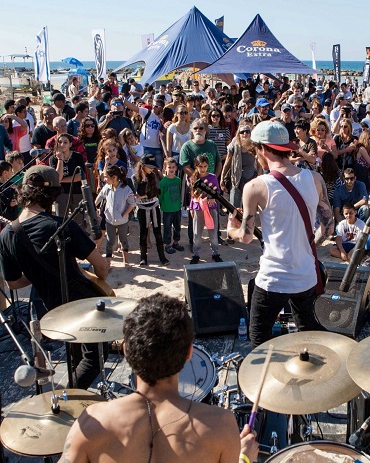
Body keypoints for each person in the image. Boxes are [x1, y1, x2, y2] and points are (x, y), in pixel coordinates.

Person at [59, 293, 258, 463]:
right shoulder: (220, 425)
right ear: (189, 353)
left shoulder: (92, 423)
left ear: (126, 351)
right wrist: (244, 459)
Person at [0, 165, 109, 389]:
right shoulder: (60, 226)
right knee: (94, 356)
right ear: (52, 196)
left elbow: (12, 282)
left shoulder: (7, 235)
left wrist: (37, 271)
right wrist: (99, 279)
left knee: (74, 352)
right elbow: (102, 266)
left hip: (49, 308)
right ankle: (71, 397)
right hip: (82, 304)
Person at [227, 121, 332, 348]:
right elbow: (328, 228)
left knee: (259, 338)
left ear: (263, 149)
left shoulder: (255, 187)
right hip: (306, 275)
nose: (256, 157)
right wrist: (305, 245)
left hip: (274, 279)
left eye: (255, 151)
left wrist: (230, 229)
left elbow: (245, 237)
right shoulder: (315, 179)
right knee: (308, 336)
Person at [133, 154, 169, 266]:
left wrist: (143, 196)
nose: (152, 169)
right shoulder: (135, 178)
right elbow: (136, 193)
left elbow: (156, 192)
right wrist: (143, 183)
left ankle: (162, 257)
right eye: (149, 166)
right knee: (143, 233)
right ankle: (143, 257)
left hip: (154, 207)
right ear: (143, 166)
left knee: (157, 233)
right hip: (142, 209)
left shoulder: (155, 176)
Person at [96, 164, 135, 266]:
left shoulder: (126, 189)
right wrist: (94, 206)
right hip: (109, 220)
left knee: (123, 240)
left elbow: (132, 204)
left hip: (122, 221)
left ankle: (125, 261)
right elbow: (100, 197)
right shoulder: (107, 187)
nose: (104, 179)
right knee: (110, 241)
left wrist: (124, 215)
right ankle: (108, 261)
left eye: (106, 177)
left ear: (114, 177)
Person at [189, 154, 222, 264]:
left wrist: (213, 197)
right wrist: (191, 208)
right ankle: (196, 254)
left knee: (213, 233)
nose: (202, 169)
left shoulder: (212, 177)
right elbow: (192, 195)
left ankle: (215, 252)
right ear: (196, 166)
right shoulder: (193, 178)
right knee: (197, 234)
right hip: (198, 209)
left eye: (204, 166)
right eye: (200, 166)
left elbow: (217, 192)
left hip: (211, 208)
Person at [159, 158, 184, 255]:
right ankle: (167, 244)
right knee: (167, 227)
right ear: (165, 168)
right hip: (167, 209)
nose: (172, 169)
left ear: (176, 168)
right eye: (169, 167)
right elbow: (160, 195)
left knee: (177, 227)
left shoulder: (178, 180)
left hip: (177, 208)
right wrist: (161, 205)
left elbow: (179, 192)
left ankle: (176, 242)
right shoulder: (163, 182)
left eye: (173, 167)